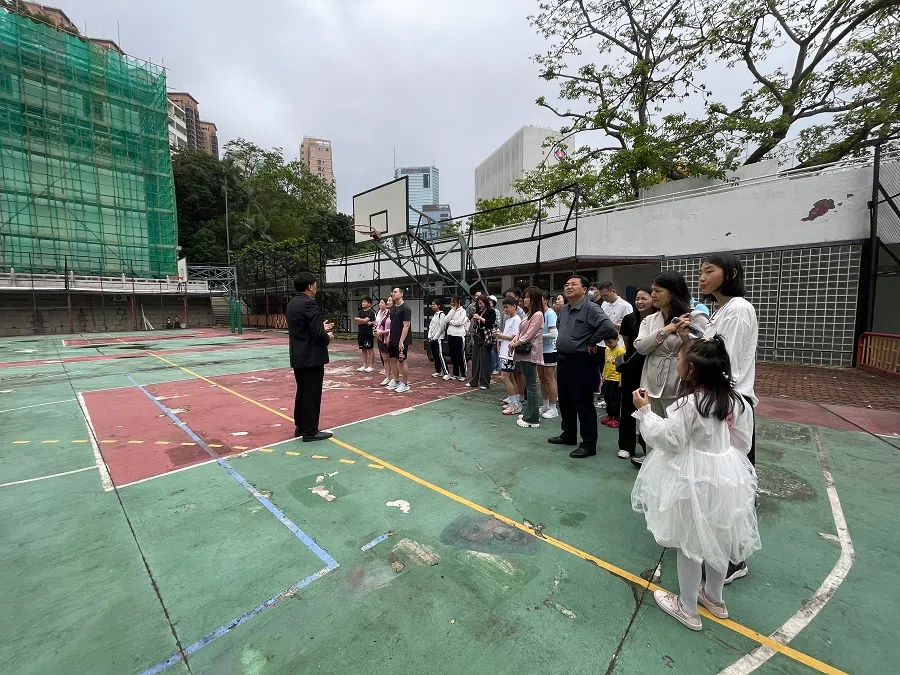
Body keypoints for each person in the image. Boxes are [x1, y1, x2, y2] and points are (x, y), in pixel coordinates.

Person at [631, 336, 759, 631]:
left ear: (690, 370)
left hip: (691, 477)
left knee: (689, 541)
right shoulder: (738, 401)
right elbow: (742, 442)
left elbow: (670, 440)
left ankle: (687, 607)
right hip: (726, 476)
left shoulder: (689, 404)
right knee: (720, 536)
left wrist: (646, 411)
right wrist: (721, 461)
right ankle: (714, 597)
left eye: (679, 359)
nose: (676, 362)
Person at [697, 252, 759, 585]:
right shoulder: (722, 311)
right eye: (701, 272)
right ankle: (724, 552)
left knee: (732, 486)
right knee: (720, 485)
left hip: (730, 406)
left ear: (731, 272)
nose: (702, 277)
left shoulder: (738, 309)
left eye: (709, 271)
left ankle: (735, 558)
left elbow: (724, 362)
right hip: (721, 403)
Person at [632, 271, 709, 466]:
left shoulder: (694, 317)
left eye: (658, 290)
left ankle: (677, 476)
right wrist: (667, 330)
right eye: (652, 290)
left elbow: (702, 351)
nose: (654, 295)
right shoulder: (650, 320)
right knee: (651, 432)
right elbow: (640, 347)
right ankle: (652, 472)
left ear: (674, 292)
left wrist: (684, 336)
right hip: (651, 380)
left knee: (678, 435)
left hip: (680, 382)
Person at [549, 276, 617, 458]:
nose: (568, 287)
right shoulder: (563, 310)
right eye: (566, 284)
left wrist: (592, 340)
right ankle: (569, 434)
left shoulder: (591, 308)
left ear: (585, 289)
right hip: (563, 360)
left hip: (582, 361)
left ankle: (588, 444)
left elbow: (608, 326)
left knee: (583, 403)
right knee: (565, 400)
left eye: (573, 284)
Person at [286, 272, 334, 442]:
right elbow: (317, 335)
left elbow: (303, 328)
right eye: (315, 284)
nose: (316, 287)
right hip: (311, 357)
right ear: (310, 286)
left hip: (298, 356)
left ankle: (301, 426)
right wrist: (327, 336)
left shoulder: (292, 304)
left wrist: (320, 327)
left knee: (302, 392)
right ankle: (311, 431)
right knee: (312, 394)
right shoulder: (310, 305)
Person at [616, 286, 656, 459]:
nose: (639, 302)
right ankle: (626, 445)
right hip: (632, 366)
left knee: (650, 407)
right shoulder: (628, 319)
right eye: (637, 299)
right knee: (627, 406)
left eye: (644, 298)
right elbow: (627, 345)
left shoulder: (659, 320)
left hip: (652, 366)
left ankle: (647, 446)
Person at [509, 286, 545, 428]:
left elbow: (529, 335)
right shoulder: (528, 314)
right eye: (525, 296)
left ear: (534, 299)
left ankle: (533, 418)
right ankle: (529, 413)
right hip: (524, 352)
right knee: (529, 385)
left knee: (531, 385)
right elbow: (521, 332)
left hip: (531, 352)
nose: (525, 299)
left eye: (528, 297)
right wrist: (514, 342)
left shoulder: (538, 315)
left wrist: (514, 344)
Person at [497, 297, 522, 413]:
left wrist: (501, 336)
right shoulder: (508, 320)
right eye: (504, 307)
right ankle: (515, 402)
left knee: (504, 377)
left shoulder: (517, 320)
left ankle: (515, 404)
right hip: (504, 351)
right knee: (510, 378)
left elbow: (515, 336)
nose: (505, 310)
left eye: (506, 307)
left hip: (509, 353)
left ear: (514, 306)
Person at [387, 287, 412, 393]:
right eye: (392, 292)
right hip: (392, 339)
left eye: (395, 292)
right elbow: (392, 325)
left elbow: (406, 326)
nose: (393, 293)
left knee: (402, 361)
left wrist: (401, 341)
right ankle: (396, 381)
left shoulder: (405, 308)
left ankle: (405, 384)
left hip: (401, 340)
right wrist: (389, 336)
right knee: (392, 360)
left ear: (401, 294)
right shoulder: (393, 308)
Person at [467, 295, 496, 389]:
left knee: (484, 361)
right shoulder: (479, 311)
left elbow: (490, 323)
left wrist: (479, 318)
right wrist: (475, 320)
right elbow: (475, 326)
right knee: (475, 359)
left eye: (481, 303)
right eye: (478, 303)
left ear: (485, 302)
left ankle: (485, 382)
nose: (480, 305)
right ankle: (474, 381)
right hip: (478, 337)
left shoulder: (491, 311)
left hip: (486, 338)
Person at [539, 290, 559, 419]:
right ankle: (545, 405)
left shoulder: (550, 313)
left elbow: (553, 334)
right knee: (541, 379)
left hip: (550, 351)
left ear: (546, 300)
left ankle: (553, 408)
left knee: (549, 378)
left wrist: (538, 336)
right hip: (540, 350)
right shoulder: (540, 314)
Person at [600, 335, 626, 429]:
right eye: (606, 343)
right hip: (608, 378)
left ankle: (617, 418)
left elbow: (622, 366)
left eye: (610, 342)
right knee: (607, 397)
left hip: (616, 379)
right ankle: (610, 415)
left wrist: (621, 379)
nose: (608, 344)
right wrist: (604, 375)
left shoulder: (621, 350)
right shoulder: (607, 350)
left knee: (615, 400)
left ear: (617, 339)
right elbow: (606, 363)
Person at [445, 296, 468, 381]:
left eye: (453, 302)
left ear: (458, 302)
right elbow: (446, 319)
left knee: (460, 355)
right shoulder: (452, 311)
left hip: (459, 335)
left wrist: (451, 322)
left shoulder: (463, 311)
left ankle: (463, 374)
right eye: (451, 302)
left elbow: (460, 322)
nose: (452, 304)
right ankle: (455, 373)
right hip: (451, 335)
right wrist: (452, 311)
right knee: (453, 355)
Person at [427, 299, 449, 378]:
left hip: (438, 338)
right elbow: (431, 326)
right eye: (432, 304)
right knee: (435, 355)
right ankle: (438, 371)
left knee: (440, 355)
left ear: (439, 305)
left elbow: (441, 327)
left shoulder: (441, 315)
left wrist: (436, 337)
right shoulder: (435, 315)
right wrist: (430, 335)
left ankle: (446, 372)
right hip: (433, 338)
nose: (433, 306)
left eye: (434, 304)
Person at [354, 296, 377, 373]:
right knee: (363, 349)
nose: (363, 303)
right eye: (362, 302)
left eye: (365, 302)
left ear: (369, 304)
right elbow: (356, 321)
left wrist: (361, 320)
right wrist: (363, 321)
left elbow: (364, 320)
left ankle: (371, 366)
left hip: (368, 333)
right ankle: (364, 365)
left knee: (370, 349)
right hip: (361, 333)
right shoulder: (360, 312)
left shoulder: (371, 312)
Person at [376, 297, 393, 386]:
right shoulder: (383, 313)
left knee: (393, 359)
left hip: (390, 340)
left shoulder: (394, 314)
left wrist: (382, 332)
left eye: (389, 301)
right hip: (381, 339)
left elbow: (393, 328)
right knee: (385, 359)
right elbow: (379, 324)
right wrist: (377, 332)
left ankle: (395, 378)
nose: (387, 303)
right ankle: (387, 377)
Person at [374, 298, 389, 375]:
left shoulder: (389, 313)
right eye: (380, 303)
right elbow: (377, 323)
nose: (380, 304)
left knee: (389, 355)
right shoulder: (378, 312)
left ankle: (391, 370)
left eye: (382, 302)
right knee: (382, 353)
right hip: (380, 336)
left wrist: (381, 331)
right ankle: (385, 369)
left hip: (387, 336)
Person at [489, 295, 501, 375]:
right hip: (488, 333)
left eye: (490, 301)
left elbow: (498, 323)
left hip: (494, 332)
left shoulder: (496, 311)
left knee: (494, 350)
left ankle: (495, 367)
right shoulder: (486, 310)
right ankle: (492, 367)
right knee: (491, 350)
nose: (489, 302)